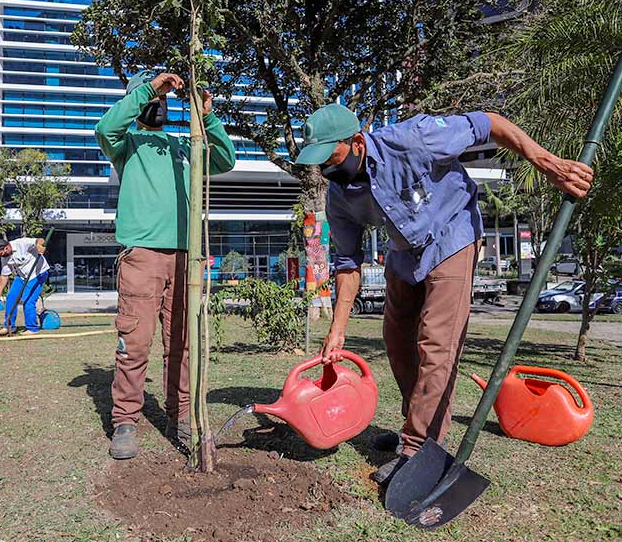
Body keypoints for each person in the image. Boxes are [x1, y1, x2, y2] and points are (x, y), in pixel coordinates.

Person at [294, 104, 593, 485]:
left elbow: (489, 123)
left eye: (330, 156)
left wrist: (546, 162)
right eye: (316, 160)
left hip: (452, 236)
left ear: (356, 143)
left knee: (436, 345)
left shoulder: (413, 139)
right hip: (404, 252)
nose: (325, 168)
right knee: (397, 341)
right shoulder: (340, 197)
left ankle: (419, 448)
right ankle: (414, 426)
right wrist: (338, 329)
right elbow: (348, 262)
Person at [95, 71, 236, 460]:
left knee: (183, 344)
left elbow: (224, 159)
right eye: (152, 100)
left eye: (164, 100)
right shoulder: (126, 143)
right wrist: (148, 89)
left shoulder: (182, 145)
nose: (159, 105)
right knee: (135, 343)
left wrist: (206, 117)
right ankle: (125, 420)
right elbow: (105, 127)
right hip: (141, 255)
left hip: (186, 260)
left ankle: (182, 417)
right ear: (140, 102)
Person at [0, 236, 50, 336]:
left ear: (6, 248)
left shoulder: (21, 243)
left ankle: (32, 329)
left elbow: (39, 240)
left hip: (38, 274)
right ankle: (9, 326)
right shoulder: (4, 258)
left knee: (28, 299)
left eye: (3, 253)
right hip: (22, 276)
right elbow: (4, 275)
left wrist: (39, 245)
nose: (2, 256)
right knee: (11, 298)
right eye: (0, 255)